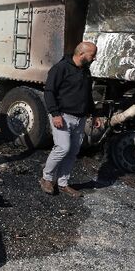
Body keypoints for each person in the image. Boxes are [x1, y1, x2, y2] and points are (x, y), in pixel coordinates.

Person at [40, 41, 101, 198]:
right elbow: (49, 91)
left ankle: (63, 183)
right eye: (92, 55)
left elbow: (87, 95)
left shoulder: (85, 71)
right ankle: (46, 178)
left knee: (73, 151)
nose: (95, 58)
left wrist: (94, 114)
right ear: (81, 54)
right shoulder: (61, 68)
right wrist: (55, 114)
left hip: (80, 118)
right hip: (63, 116)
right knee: (62, 148)